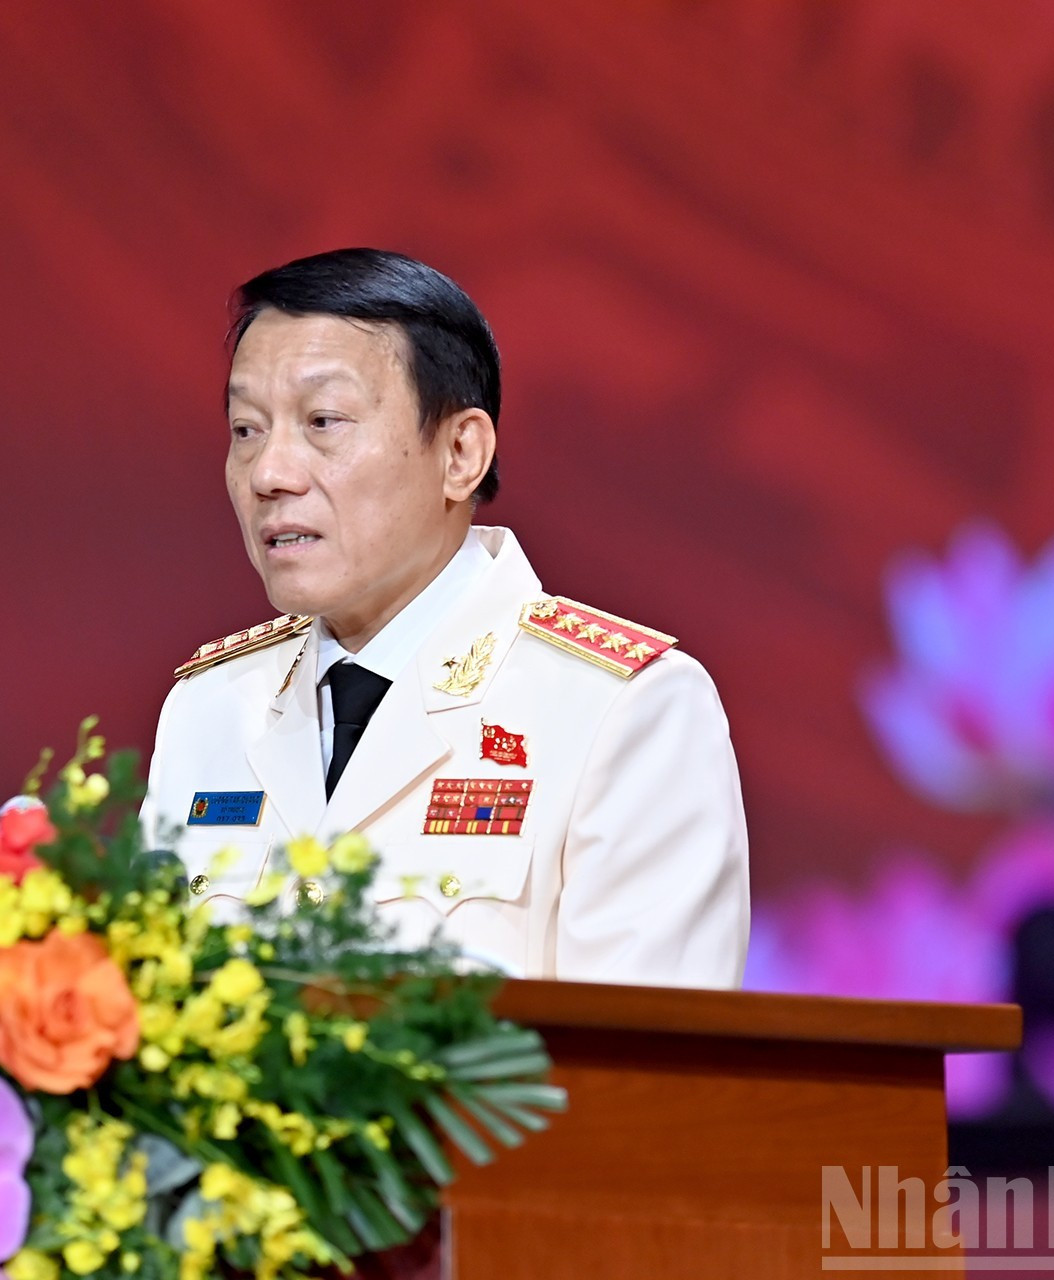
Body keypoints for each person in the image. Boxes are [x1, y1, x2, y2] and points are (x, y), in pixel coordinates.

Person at [142, 248, 747, 986]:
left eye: (324, 421)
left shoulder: (625, 709)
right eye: (247, 430)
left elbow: (649, 1077)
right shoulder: (208, 707)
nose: (269, 473)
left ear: (461, 452)